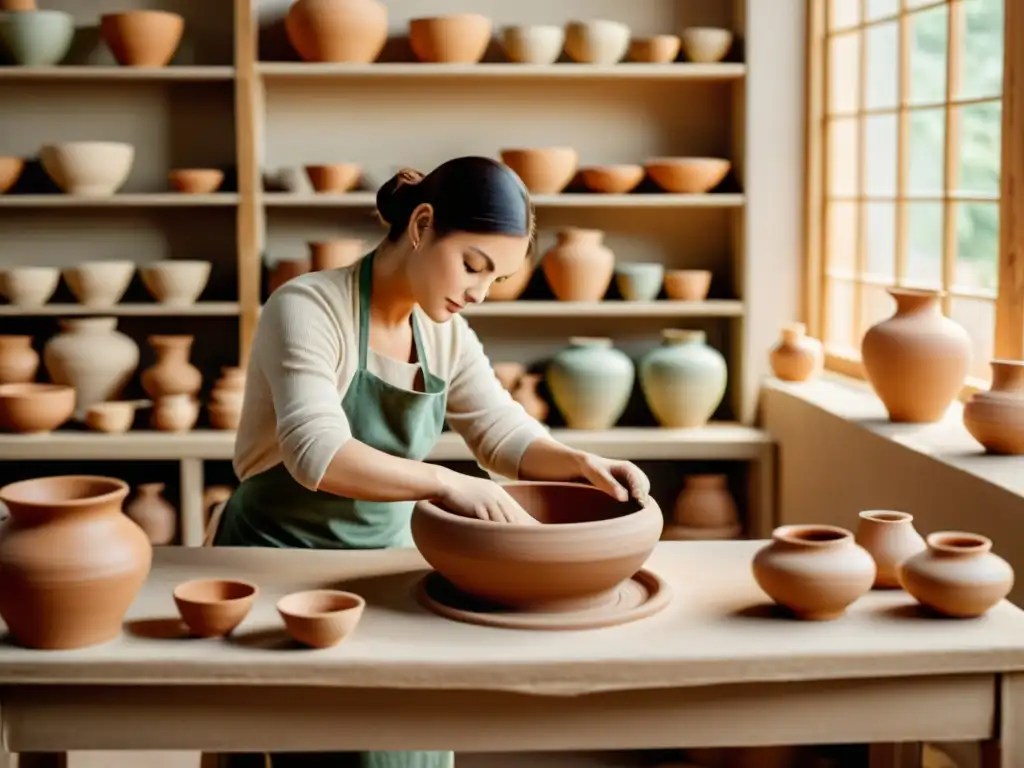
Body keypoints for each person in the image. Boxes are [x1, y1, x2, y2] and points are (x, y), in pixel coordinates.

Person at [213, 155, 651, 768]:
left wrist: (579, 463)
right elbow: (316, 454)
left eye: (494, 280)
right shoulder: (308, 307)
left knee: (413, 738)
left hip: (384, 567)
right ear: (421, 225)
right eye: (473, 265)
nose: (477, 293)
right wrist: (445, 484)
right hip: (278, 563)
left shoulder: (444, 331)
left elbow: (499, 432)